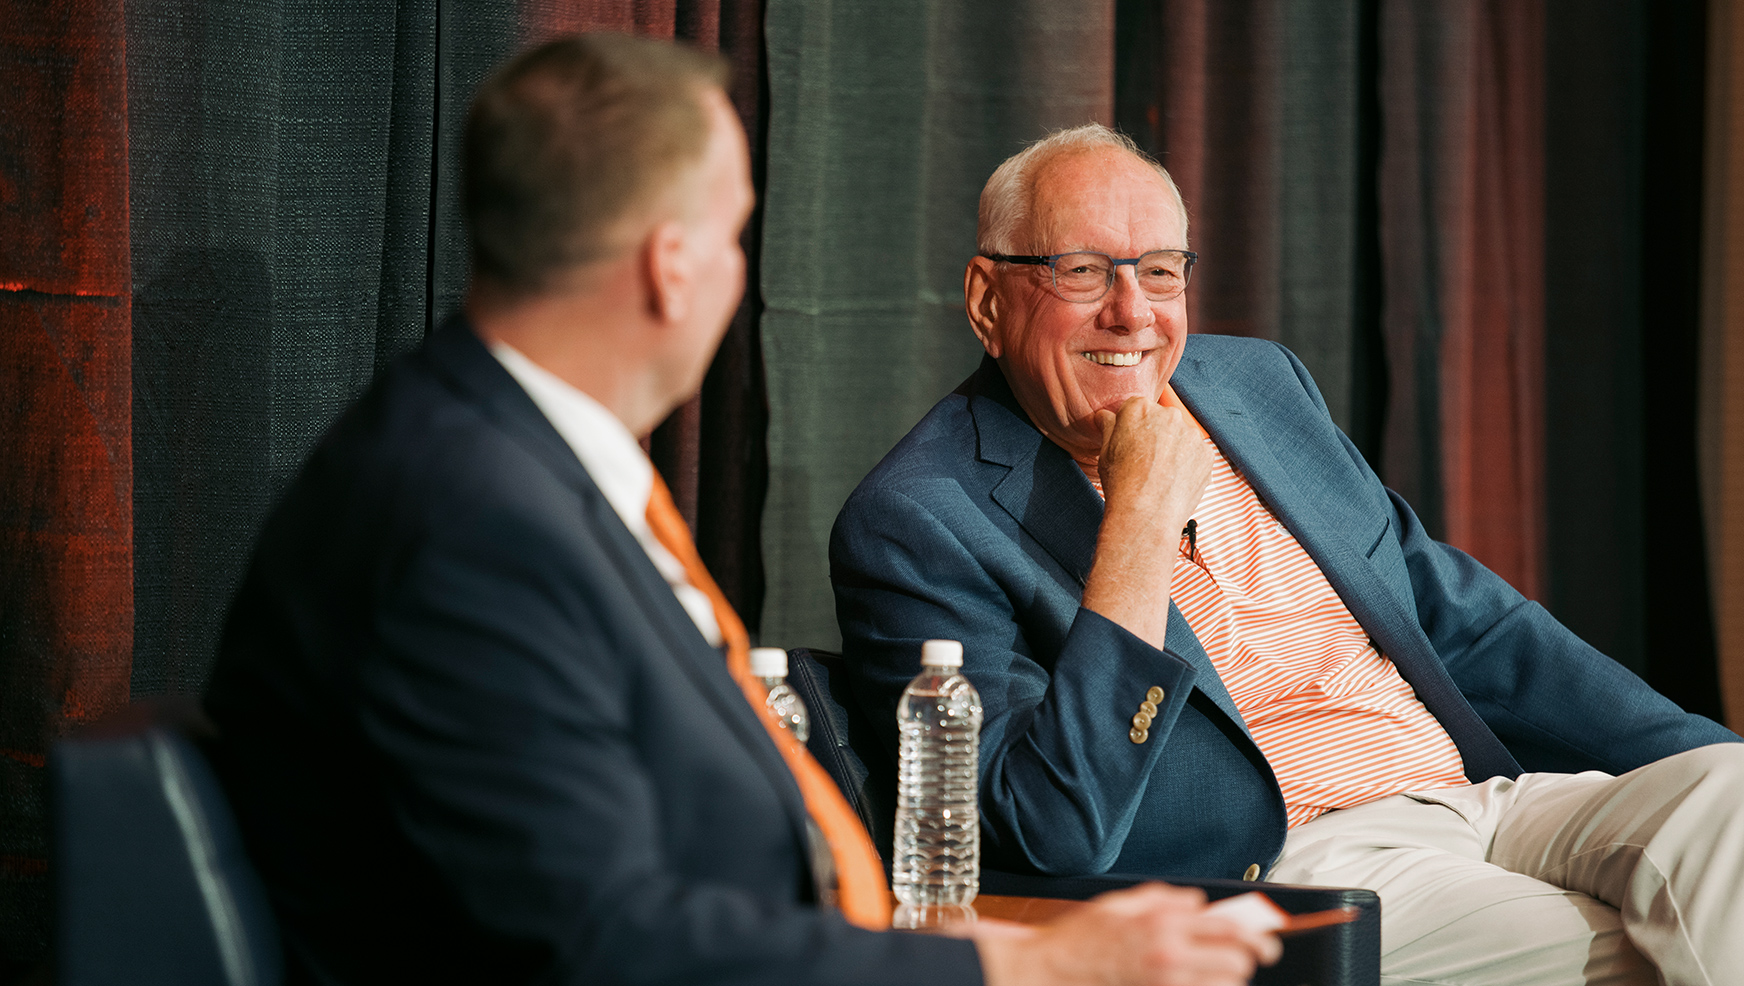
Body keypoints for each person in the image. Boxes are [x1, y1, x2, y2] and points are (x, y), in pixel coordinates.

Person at [203, 35, 1278, 986]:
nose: (735, 272)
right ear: (671, 268)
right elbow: (610, 941)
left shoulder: (506, 454)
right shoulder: (463, 523)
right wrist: (1027, 964)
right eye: (732, 238)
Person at [830, 122, 1744, 985]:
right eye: (1081, 272)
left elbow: (1458, 617)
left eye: (1158, 270)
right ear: (987, 300)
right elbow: (1046, 830)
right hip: (1297, 857)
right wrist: (1139, 524)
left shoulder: (1255, 383)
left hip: (1479, 797)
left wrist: (1697, 765)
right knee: (1628, 953)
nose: (1132, 312)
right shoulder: (920, 520)